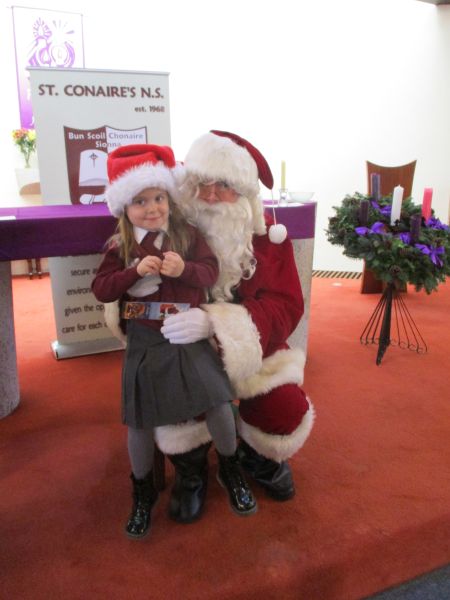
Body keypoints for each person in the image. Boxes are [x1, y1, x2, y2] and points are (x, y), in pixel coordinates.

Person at [92, 144, 257, 540]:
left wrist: (184, 268)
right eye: (140, 201)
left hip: (188, 334)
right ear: (124, 208)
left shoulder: (187, 234)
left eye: (158, 198)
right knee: (139, 421)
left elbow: (209, 272)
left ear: (169, 199)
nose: (152, 208)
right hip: (146, 340)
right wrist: (132, 274)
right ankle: (142, 491)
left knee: (218, 400)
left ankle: (230, 468)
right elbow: (101, 289)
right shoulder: (120, 247)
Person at [157, 130, 315, 524]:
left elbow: (286, 306)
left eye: (224, 185)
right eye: (202, 183)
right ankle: (192, 468)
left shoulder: (268, 238)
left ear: (243, 193)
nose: (211, 196)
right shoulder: (168, 233)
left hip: (253, 347)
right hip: (186, 350)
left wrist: (218, 325)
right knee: (176, 396)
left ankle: (254, 454)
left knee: (284, 408)